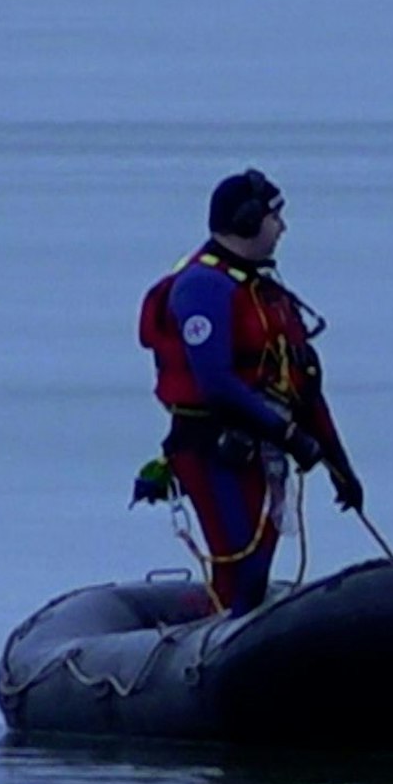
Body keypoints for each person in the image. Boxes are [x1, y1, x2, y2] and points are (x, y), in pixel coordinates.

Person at [136, 168, 363, 613]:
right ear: (247, 220)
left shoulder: (263, 290)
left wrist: (341, 466)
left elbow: (305, 386)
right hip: (214, 449)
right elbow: (216, 382)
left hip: (264, 449)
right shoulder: (204, 287)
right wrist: (292, 437)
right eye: (275, 217)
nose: (283, 228)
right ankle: (212, 659)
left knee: (256, 566)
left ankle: (237, 637)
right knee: (241, 566)